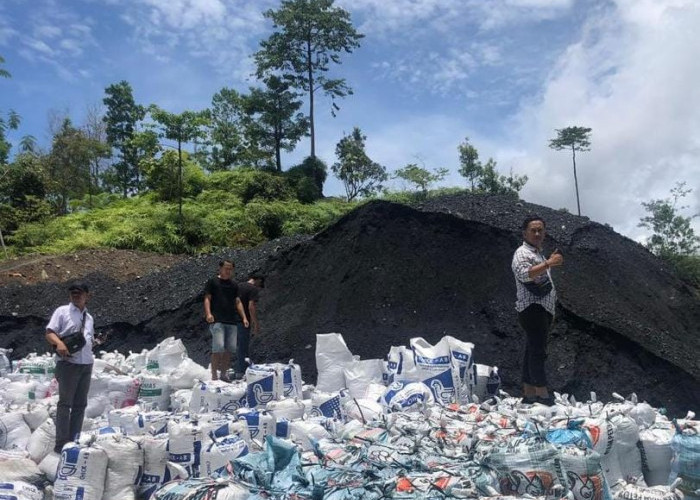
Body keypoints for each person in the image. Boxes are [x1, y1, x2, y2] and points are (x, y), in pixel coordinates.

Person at [511, 216, 564, 405]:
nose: (537, 233)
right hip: (532, 307)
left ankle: (529, 394)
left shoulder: (538, 254)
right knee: (538, 351)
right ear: (524, 233)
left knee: (531, 350)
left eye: (540, 230)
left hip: (543, 308)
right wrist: (549, 263)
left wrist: (546, 261)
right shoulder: (522, 253)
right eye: (533, 230)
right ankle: (543, 395)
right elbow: (524, 274)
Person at [45, 282, 95, 453]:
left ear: (87, 295)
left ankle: (74, 440)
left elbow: (87, 340)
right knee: (65, 404)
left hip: (86, 363)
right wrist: (59, 343)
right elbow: (49, 332)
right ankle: (61, 444)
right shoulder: (62, 312)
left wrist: (95, 342)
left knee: (80, 404)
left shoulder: (89, 318)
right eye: (73, 293)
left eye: (79, 293)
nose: (76, 295)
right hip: (68, 364)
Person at [204, 259, 249, 382]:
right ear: (220, 268)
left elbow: (237, 301)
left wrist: (244, 317)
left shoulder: (234, 285)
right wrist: (208, 313)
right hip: (217, 320)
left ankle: (223, 375)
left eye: (230, 269)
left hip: (231, 321)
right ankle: (214, 376)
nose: (228, 271)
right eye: (226, 268)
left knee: (229, 350)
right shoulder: (213, 282)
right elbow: (207, 298)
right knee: (218, 349)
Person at [234, 274, 264, 378]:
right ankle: (241, 371)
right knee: (243, 346)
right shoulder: (253, 289)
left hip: (231, 320)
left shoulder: (238, 286)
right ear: (258, 280)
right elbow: (251, 307)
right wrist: (256, 323)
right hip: (243, 321)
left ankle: (235, 369)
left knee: (234, 346)